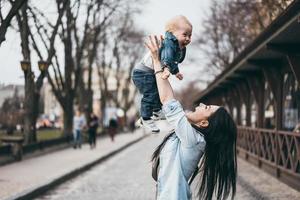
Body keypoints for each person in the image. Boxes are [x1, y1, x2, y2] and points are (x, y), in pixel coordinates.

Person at [146, 35, 237, 200]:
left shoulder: (194, 140)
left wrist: (156, 60)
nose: (201, 104)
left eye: (206, 108)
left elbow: (168, 100)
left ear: (204, 123)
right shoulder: (192, 138)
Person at [132, 15, 192, 133]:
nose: (188, 38)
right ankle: (145, 117)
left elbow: (173, 62)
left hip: (150, 72)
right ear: (173, 34)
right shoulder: (169, 43)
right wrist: (166, 69)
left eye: (190, 35)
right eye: (184, 35)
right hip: (143, 73)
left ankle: (156, 111)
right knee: (151, 94)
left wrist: (176, 72)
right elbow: (167, 58)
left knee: (159, 92)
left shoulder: (178, 47)